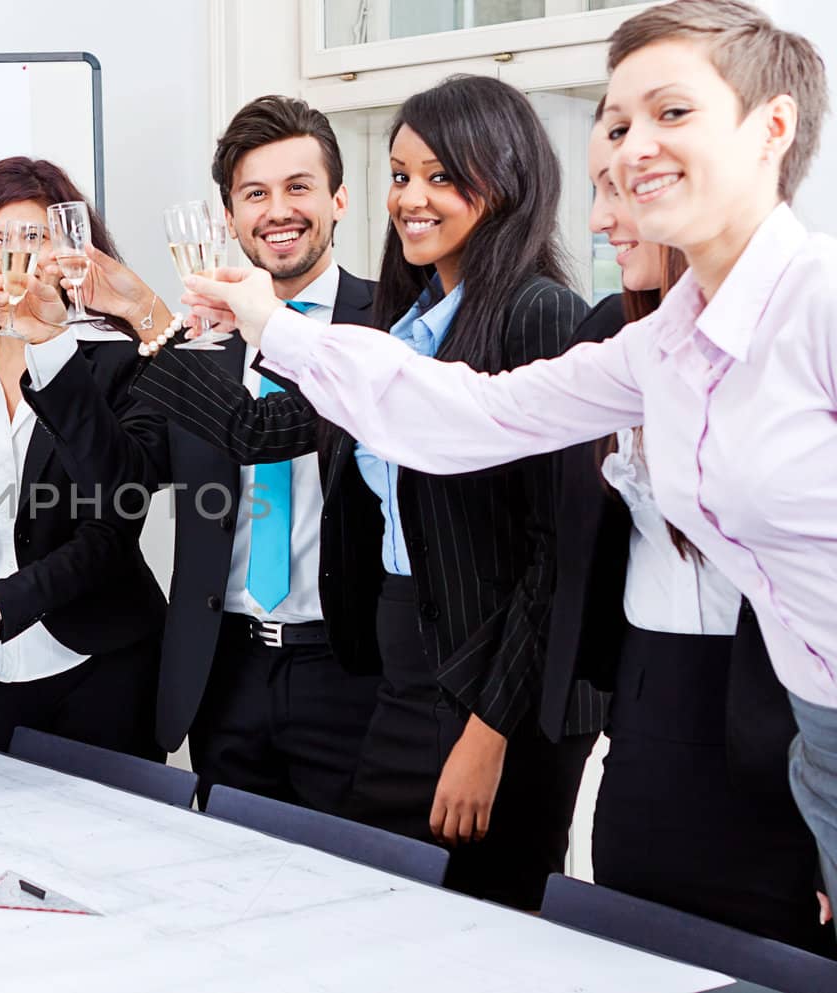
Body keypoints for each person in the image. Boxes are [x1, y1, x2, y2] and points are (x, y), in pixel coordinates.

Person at [185, 0, 837, 935]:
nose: (629, 149)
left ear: (773, 127)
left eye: (673, 113)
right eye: (616, 123)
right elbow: (466, 416)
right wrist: (269, 322)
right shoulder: (661, 343)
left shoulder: (820, 304)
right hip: (810, 735)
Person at [173, 75, 596, 910]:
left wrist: (488, 732)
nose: (413, 198)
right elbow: (263, 432)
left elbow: (557, 559)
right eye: (401, 175)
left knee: (479, 934)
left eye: (442, 176)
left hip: (493, 696)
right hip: (410, 672)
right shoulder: (407, 326)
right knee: (374, 920)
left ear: (505, 180)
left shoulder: (540, 315)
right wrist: (136, 308)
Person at [24, 96, 380, 813]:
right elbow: (120, 479)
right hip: (228, 672)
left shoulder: (388, 325)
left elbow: (273, 426)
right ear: (229, 218)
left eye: (298, 187)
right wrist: (49, 342)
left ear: (339, 198)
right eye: (256, 194)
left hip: (353, 674)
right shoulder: (202, 348)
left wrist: (145, 314)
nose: (278, 210)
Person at [546, 102, 832, 955]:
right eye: (601, 188)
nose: (604, 218)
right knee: (635, 940)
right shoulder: (612, 329)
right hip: (642, 707)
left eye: (623, 190)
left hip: (780, 717)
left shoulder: (798, 319)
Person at [0, 157, 165, 759]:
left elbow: (113, 526)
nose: (12, 258)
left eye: (34, 237)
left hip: (102, 657)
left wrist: (4, 602)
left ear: (68, 248)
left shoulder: (116, 356)